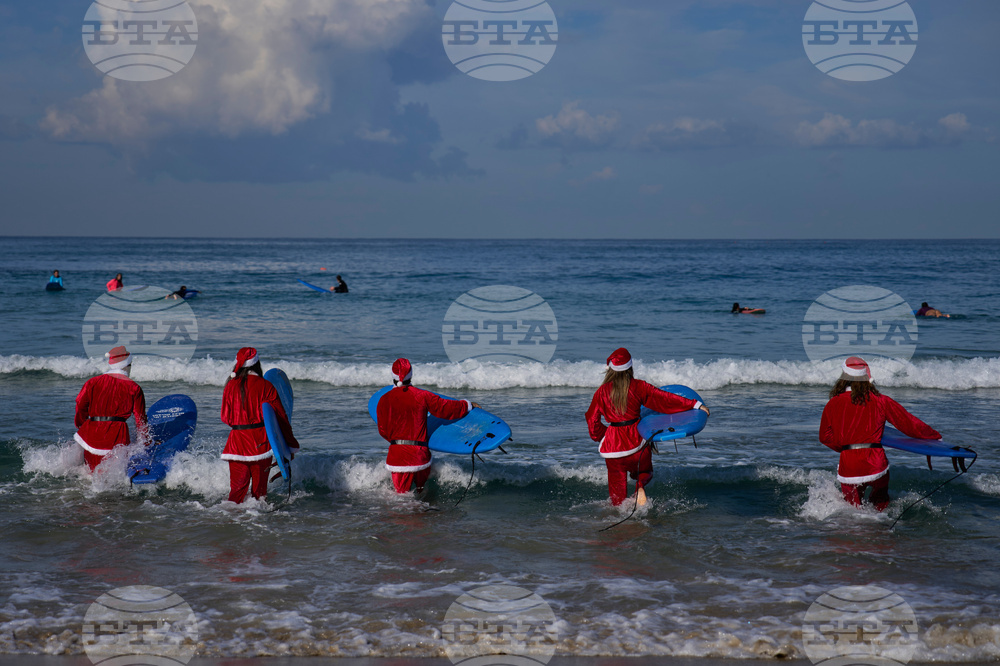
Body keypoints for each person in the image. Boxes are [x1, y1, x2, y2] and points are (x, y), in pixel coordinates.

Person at [586, 348, 709, 506]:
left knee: (617, 496)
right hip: (637, 441)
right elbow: (663, 399)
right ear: (630, 368)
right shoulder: (638, 386)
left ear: (610, 370)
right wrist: (694, 404)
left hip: (613, 449)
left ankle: (619, 513)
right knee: (645, 472)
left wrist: (604, 436)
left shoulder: (601, 392)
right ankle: (640, 487)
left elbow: (592, 420)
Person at [819, 356, 941, 512]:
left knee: (851, 509)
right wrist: (933, 435)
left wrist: (845, 448)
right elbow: (907, 423)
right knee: (880, 506)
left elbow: (825, 437)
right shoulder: (881, 400)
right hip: (875, 462)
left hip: (849, 464)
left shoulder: (833, 403)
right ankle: (880, 523)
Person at [376, 358, 480, 494]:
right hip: (419, 455)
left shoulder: (383, 400)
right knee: (422, 493)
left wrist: (398, 443)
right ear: (411, 375)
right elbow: (446, 408)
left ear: (393, 375)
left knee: (401, 498)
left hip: (397, 457)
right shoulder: (422, 395)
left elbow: (383, 430)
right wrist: (467, 405)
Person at [220, 347, 299, 504]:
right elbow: (281, 419)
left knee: (236, 494)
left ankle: (229, 517)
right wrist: (290, 446)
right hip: (260, 445)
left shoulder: (230, 385)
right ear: (257, 364)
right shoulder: (266, 386)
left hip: (236, 445)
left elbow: (225, 418)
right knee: (259, 495)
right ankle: (257, 518)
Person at [74, 345, 147, 471]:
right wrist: (145, 442)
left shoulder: (92, 382)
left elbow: (80, 405)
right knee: (113, 474)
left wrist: (81, 425)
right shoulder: (134, 387)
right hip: (117, 436)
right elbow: (139, 419)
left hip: (91, 434)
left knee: (88, 473)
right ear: (127, 365)